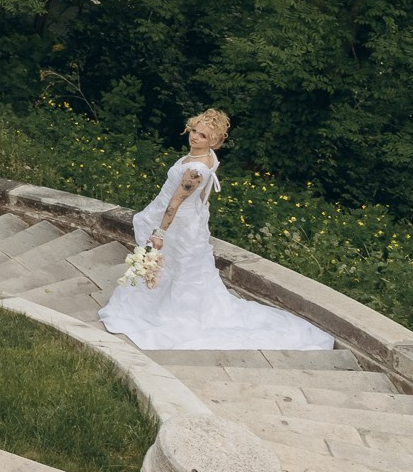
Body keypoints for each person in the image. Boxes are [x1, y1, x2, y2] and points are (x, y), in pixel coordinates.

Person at [98, 108, 334, 351]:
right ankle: (159, 302)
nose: (195, 137)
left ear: (213, 140)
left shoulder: (196, 170)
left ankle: (172, 312)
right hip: (190, 223)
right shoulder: (207, 157)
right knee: (179, 269)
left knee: (175, 268)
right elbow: (202, 195)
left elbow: (175, 202)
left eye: (202, 135)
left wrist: (160, 233)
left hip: (177, 224)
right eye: (194, 131)